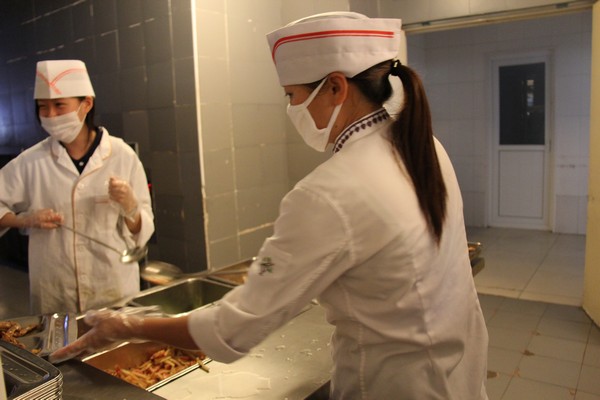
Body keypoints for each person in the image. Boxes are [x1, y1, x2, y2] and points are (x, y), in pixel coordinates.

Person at [50, 13, 488, 399]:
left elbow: (233, 330)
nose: (292, 108)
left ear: (336, 87)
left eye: (292, 95)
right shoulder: (423, 145)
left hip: (392, 386)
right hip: (456, 376)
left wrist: (127, 325)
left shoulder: (331, 190)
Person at [0, 60, 154, 314]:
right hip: (55, 289)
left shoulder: (121, 155)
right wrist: (25, 220)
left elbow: (142, 231)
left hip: (112, 286)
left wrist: (131, 207)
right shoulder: (30, 161)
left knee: (116, 339)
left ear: (87, 104)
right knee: (59, 339)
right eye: (43, 107)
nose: (50, 115)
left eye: (59, 105)